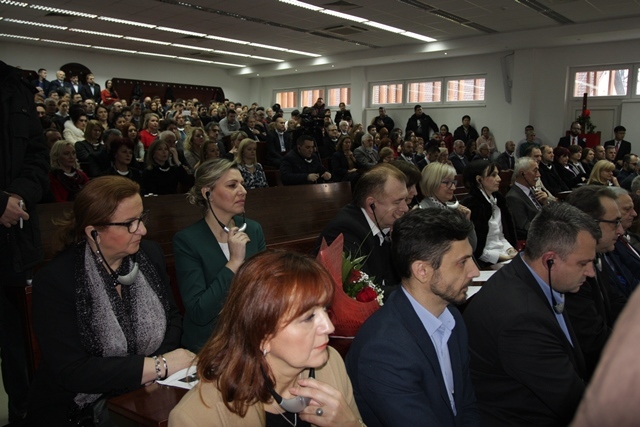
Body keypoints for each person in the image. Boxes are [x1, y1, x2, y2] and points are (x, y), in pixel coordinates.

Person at [27, 176, 195, 425]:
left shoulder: (149, 255)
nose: (142, 230)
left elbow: (172, 317)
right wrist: (157, 366)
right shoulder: (56, 280)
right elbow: (72, 370)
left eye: (142, 218)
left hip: (147, 390)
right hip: (79, 408)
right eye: (130, 223)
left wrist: (155, 368)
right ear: (93, 233)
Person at [169, 251, 362, 426]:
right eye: (308, 317)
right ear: (261, 336)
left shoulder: (330, 364)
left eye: (325, 309)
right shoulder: (197, 419)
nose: (329, 327)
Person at [463, 202, 601, 426]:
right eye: (583, 263)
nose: (591, 272)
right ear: (549, 260)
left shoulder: (526, 275)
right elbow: (574, 404)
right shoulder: (522, 320)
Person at [347, 209, 481, 427]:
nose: (474, 271)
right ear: (422, 271)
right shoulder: (383, 350)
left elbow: (466, 405)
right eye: (462, 262)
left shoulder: (451, 317)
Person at [0, 60, 50, 425]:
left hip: (13, 241)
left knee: (19, 346)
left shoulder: (15, 85)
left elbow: (37, 155)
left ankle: (25, 415)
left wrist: (17, 196)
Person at [173, 159, 265, 352]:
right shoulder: (187, 241)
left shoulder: (254, 229)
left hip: (251, 337)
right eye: (232, 185)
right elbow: (199, 311)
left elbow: (265, 288)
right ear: (208, 193)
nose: (243, 191)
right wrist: (234, 263)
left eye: (242, 184)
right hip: (211, 344)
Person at [564, 186, 628, 378]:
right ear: (589, 224)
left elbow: (617, 304)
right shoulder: (570, 270)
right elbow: (593, 340)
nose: (621, 230)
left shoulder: (596, 256)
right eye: (615, 223)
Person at [316, 164, 408, 292]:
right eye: (397, 202)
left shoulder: (384, 225)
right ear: (371, 205)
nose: (405, 208)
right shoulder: (344, 232)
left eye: (405, 200)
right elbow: (364, 293)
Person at [461, 160, 518, 266]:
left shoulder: (498, 200)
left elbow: (500, 236)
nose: (499, 179)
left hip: (503, 255)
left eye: (498, 174)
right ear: (479, 179)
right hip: (485, 261)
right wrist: (503, 257)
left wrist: (510, 249)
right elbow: (477, 249)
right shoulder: (472, 205)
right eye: (493, 175)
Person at [506, 157, 548, 240]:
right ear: (522, 173)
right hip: (538, 238)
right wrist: (549, 231)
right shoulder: (513, 197)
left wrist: (545, 203)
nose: (538, 175)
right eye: (535, 171)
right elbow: (525, 226)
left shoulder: (533, 191)